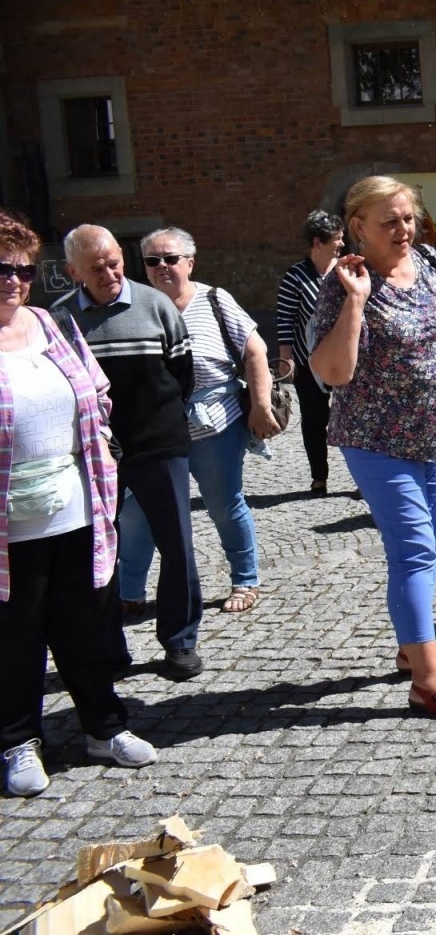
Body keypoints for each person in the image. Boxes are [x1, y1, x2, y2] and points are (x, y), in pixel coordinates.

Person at [310, 176, 436, 718]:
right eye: (390, 222)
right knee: (412, 550)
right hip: (378, 440)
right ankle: (427, 682)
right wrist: (357, 302)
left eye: (408, 218)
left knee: (427, 547)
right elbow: (333, 372)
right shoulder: (344, 283)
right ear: (358, 227)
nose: (404, 229)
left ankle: (415, 648)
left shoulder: (430, 261)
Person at [0, 211, 158, 797]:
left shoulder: (50, 323)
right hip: (9, 520)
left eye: (23, 270)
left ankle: (103, 727)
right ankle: (18, 740)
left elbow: (96, 386)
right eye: (1, 269)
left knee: (85, 625)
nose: (14, 281)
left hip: (74, 503)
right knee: (16, 634)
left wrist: (99, 435)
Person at [54, 225, 204, 681]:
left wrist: (157, 424)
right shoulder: (60, 319)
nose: (109, 274)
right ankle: (109, 648)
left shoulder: (156, 305)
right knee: (98, 549)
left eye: (114, 263)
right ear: (73, 271)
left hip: (160, 444)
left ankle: (180, 641)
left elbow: (181, 374)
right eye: (96, 268)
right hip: (95, 452)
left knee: (177, 544)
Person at [119, 228, 278, 615]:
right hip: (155, 432)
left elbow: (255, 350)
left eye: (170, 258)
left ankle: (245, 579)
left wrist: (260, 405)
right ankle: (129, 593)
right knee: (136, 511)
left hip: (215, 426)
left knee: (223, 504)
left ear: (189, 263)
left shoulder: (214, 299)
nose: (162, 266)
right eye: (153, 260)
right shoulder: (136, 307)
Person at [276, 210, 345, 495]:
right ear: (318, 242)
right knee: (315, 420)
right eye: (337, 239)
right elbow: (285, 319)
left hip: (346, 359)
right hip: (308, 362)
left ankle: (364, 477)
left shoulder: (346, 271)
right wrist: (287, 358)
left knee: (354, 418)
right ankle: (319, 477)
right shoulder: (296, 276)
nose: (342, 244)